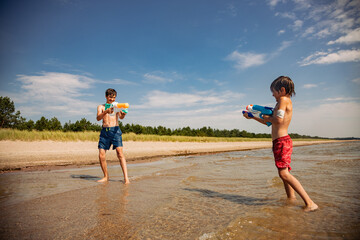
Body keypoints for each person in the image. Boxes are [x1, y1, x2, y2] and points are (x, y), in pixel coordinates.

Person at [243, 76, 318, 212]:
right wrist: (253, 116)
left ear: (282, 90)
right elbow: (270, 122)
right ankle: (291, 198)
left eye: (274, 92)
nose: (273, 95)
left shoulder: (283, 100)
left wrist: (263, 115)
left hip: (282, 142)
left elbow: (277, 119)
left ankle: (310, 203)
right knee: (284, 173)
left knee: (283, 174)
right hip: (280, 142)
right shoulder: (281, 102)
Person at [96, 88, 130, 184]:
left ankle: (126, 178)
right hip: (105, 131)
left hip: (115, 130)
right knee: (101, 155)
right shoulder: (101, 107)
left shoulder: (116, 106)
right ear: (106, 96)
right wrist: (106, 111)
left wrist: (123, 114)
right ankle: (106, 176)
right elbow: (98, 118)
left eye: (114, 98)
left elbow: (121, 117)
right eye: (110, 98)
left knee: (120, 153)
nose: (112, 100)